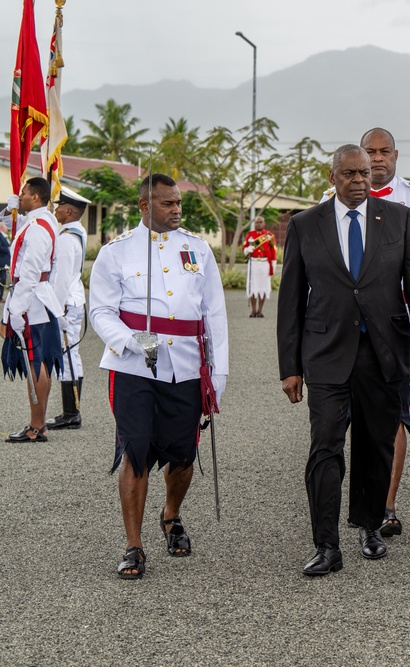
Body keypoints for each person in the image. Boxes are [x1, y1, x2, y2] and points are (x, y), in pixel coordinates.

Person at [277, 145, 410, 576]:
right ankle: (326, 545)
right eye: (349, 174)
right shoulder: (306, 225)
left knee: (375, 445)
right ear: (333, 178)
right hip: (326, 355)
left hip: (384, 355)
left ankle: (369, 525)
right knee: (325, 448)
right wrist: (289, 367)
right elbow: (290, 300)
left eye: (365, 173)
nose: (360, 181)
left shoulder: (399, 220)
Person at [89, 173, 229, 580]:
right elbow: (100, 311)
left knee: (183, 451)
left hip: (186, 366)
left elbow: (214, 315)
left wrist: (218, 374)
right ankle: (133, 546)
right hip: (133, 367)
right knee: (135, 450)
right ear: (143, 205)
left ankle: (171, 514)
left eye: (178, 203)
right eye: (167, 203)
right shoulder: (116, 252)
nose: (176, 210)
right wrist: (131, 341)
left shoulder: (197, 249)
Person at [2, 177, 63, 443]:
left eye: (24, 192)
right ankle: (37, 423)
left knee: (36, 361)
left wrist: (16, 308)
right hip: (35, 298)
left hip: (32, 301)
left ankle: (37, 427)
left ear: (35, 198)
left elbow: (30, 270)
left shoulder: (38, 226)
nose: (21, 195)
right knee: (39, 361)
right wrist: (7, 211)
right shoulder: (39, 221)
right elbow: (14, 232)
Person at [46, 187, 90, 430]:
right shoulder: (78, 232)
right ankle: (72, 410)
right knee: (72, 353)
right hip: (75, 300)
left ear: (70, 210)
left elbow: (60, 279)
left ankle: (71, 414)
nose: (56, 209)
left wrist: (56, 310)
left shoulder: (66, 239)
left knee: (68, 354)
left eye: (59, 206)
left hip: (66, 303)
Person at [242, 216, 276, 318]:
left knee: (263, 286)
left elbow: (273, 251)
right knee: (253, 286)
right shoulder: (250, 235)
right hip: (254, 263)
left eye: (260, 222)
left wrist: (272, 266)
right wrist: (248, 249)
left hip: (265, 263)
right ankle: (253, 310)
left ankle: (260, 310)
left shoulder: (269, 236)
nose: (258, 224)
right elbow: (244, 248)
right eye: (257, 222)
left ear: (264, 223)